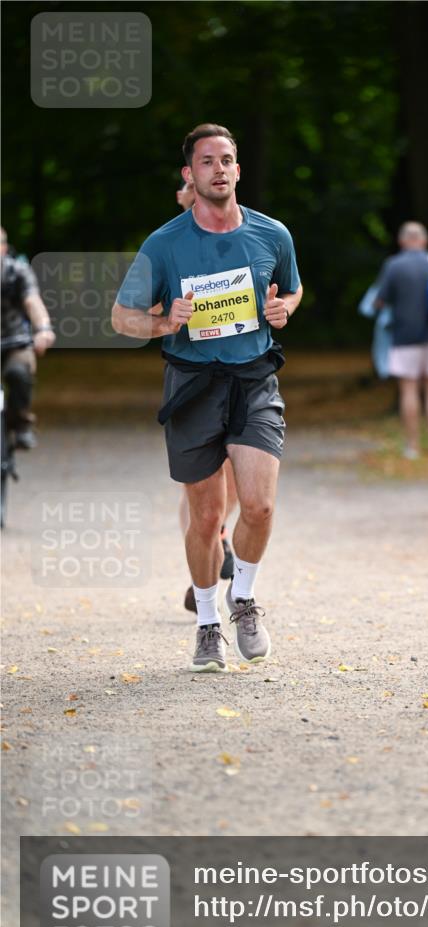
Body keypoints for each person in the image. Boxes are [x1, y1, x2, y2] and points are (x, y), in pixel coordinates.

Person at [112, 123, 302, 671]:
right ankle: (206, 624)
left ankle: (243, 598)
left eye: (226, 160)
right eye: (206, 161)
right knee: (206, 517)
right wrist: (162, 322)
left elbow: (292, 288)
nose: (218, 169)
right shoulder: (164, 244)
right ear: (189, 175)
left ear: (237, 170)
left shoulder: (272, 234)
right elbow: (121, 317)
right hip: (193, 386)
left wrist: (284, 308)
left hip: (254, 380)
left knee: (259, 505)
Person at [172, 179, 238, 610]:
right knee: (198, 487)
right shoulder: (172, 242)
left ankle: (220, 537)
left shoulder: (242, 231)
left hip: (244, 370)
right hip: (195, 375)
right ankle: (207, 561)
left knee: (236, 472)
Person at [374, 221, 428, 459]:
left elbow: (380, 301)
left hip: (404, 335)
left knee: (409, 389)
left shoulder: (394, 265)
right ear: (425, 240)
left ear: (402, 241)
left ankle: (413, 446)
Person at [1, 227, 55, 448]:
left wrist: (43, 328)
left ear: (4, 247)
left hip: (14, 341)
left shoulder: (18, 271)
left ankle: (20, 422)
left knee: (19, 373)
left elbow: (32, 301)